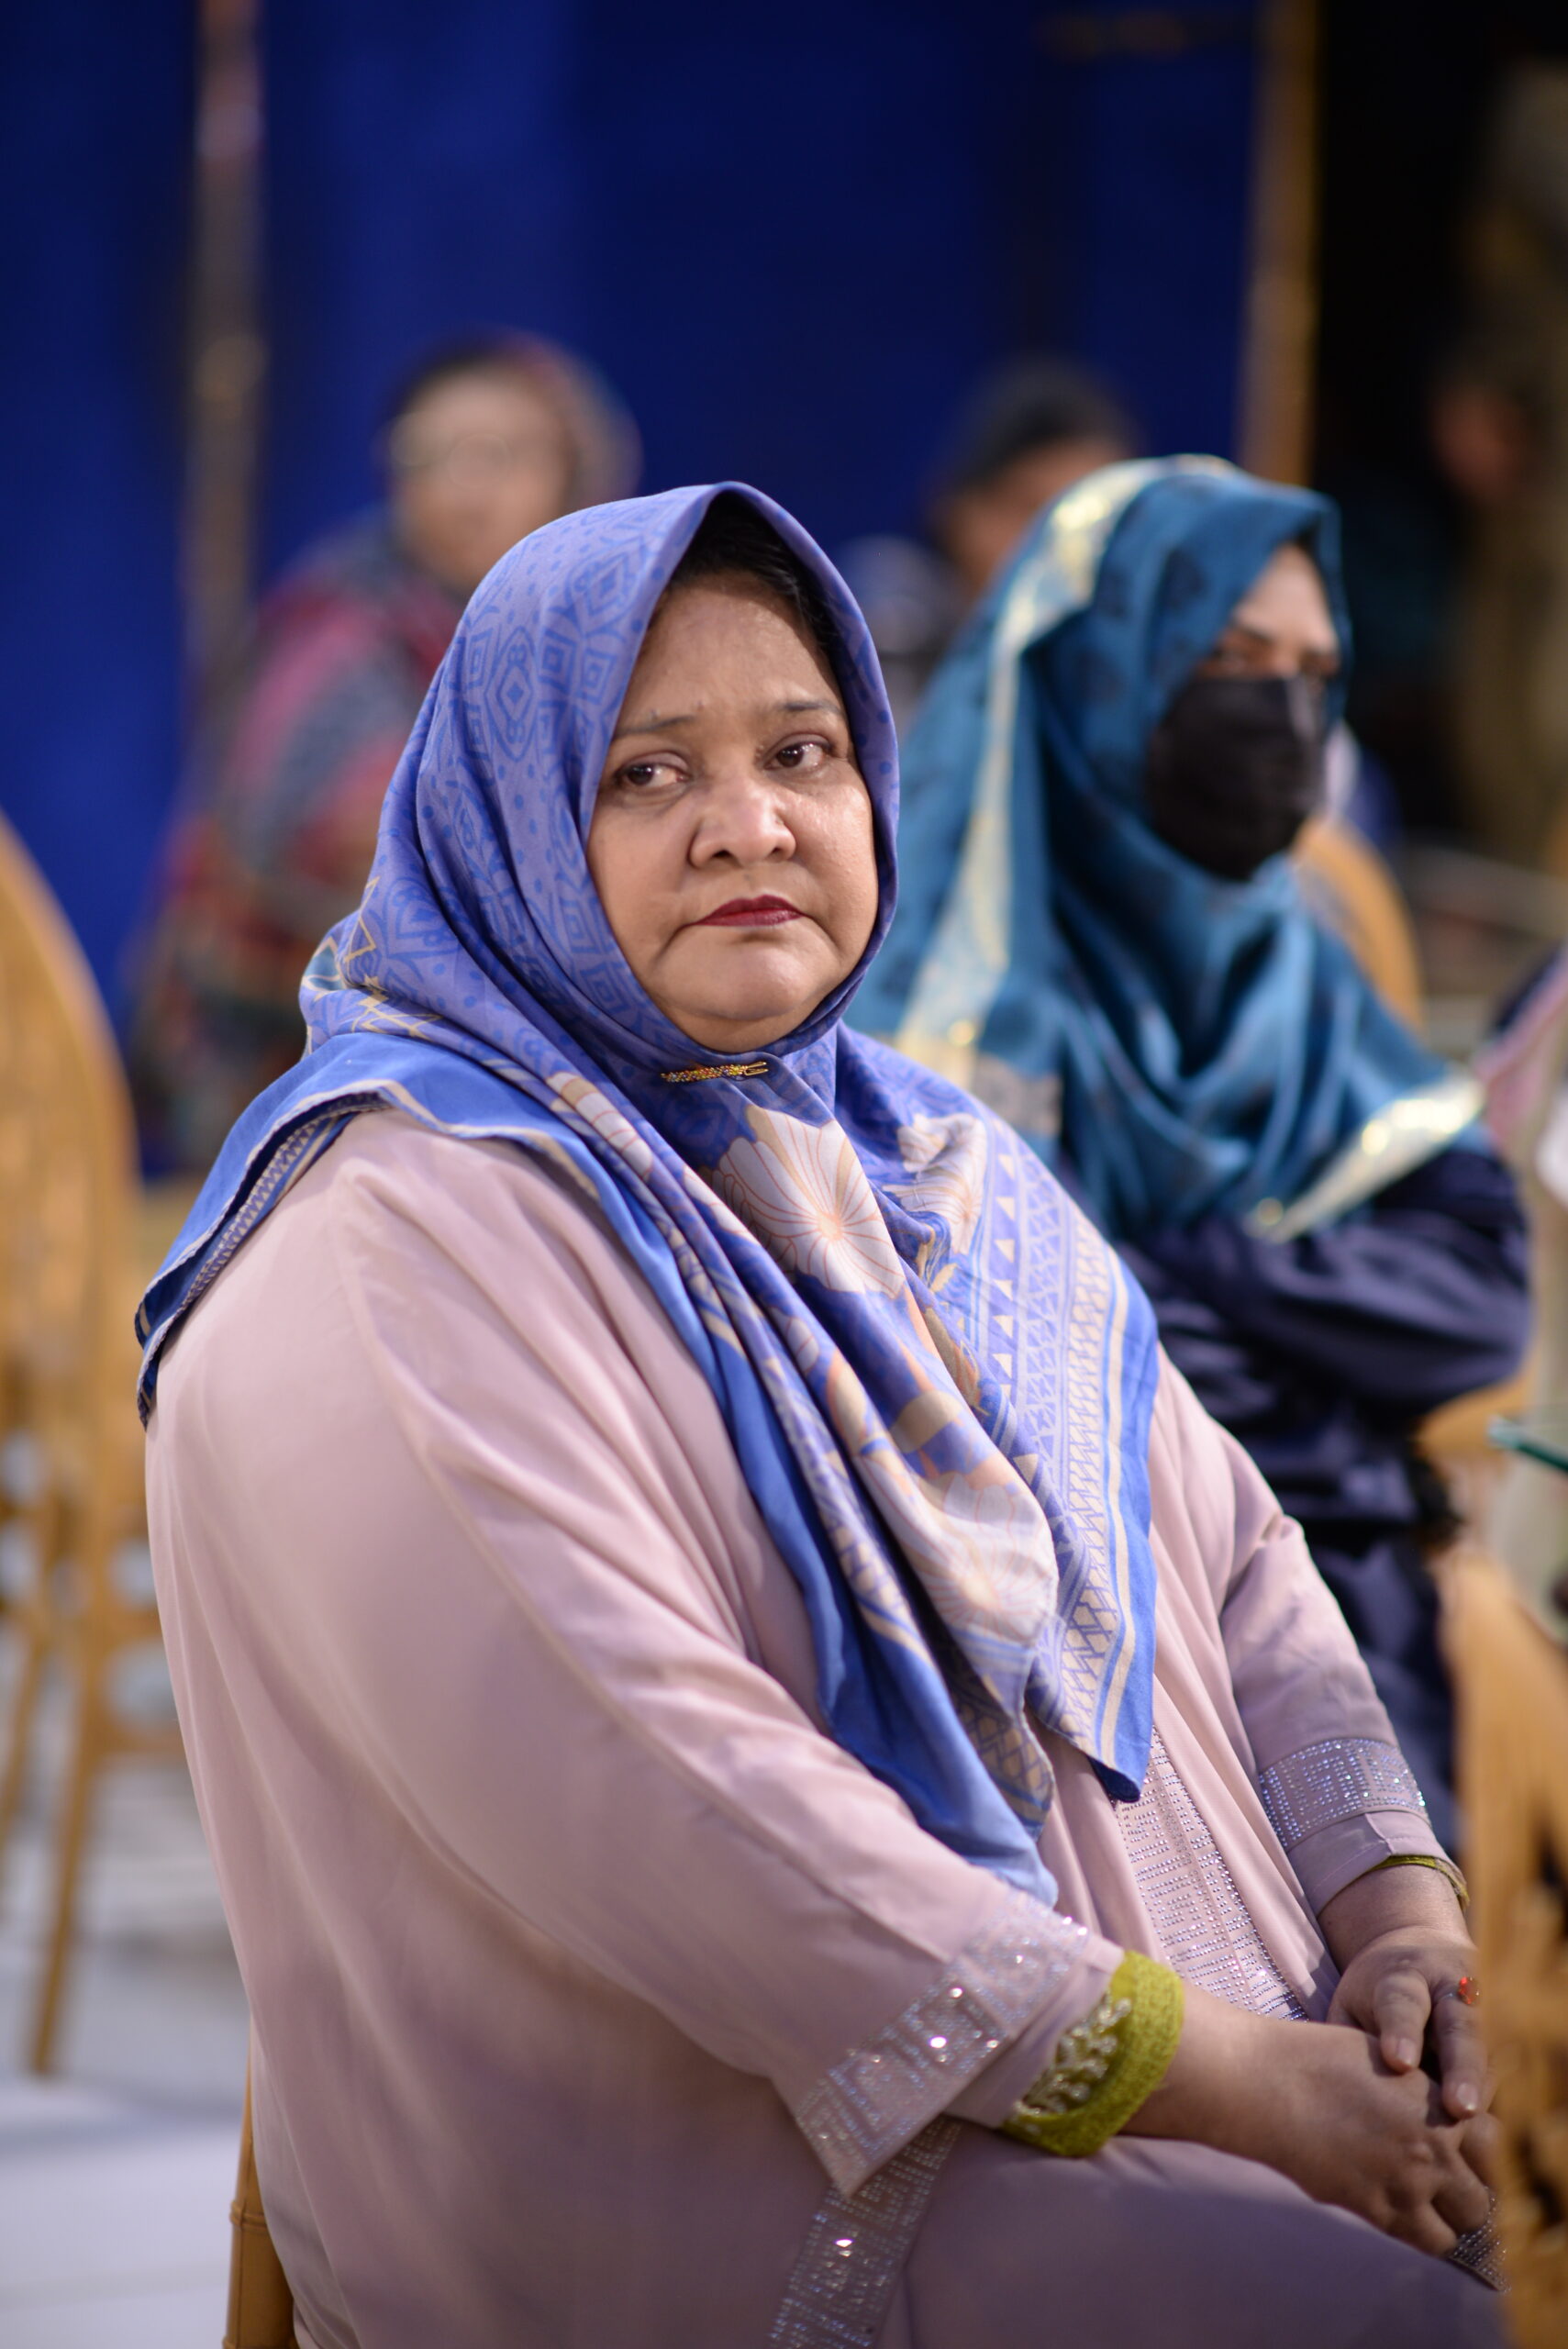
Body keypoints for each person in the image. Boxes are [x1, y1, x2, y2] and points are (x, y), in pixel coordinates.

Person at [140, 486, 1501, 2348]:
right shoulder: (396, 1237)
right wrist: (1233, 2084)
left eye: (800, 752)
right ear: (507, 820)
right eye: (644, 774)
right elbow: (663, 1792)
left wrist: (1396, 1920)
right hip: (702, 2141)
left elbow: (1238, 1558)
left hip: (1189, 2055)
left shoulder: (915, 1153)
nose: (749, 824)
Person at [857, 458, 1529, 1856]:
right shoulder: (934, 991)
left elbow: (1479, 1288)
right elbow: (986, 1348)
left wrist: (1177, 1275)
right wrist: (1313, 1336)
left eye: (1313, 671)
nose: (1279, 712)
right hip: (1047, 1630)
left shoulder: (1300, 974)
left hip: (1344, 1600)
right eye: (1228, 659)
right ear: (1100, 670)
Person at [130, 330, 639, 1168]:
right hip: (299, 1059)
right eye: (426, 459)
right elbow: (344, 856)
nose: (462, 491)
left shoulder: (602, 633)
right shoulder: (345, 626)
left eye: (497, 454)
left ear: (576, 470)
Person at [838, 358, 1139, 733]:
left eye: (1096, 522)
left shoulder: (1119, 651)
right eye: (1033, 509)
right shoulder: (895, 602)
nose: (1060, 542)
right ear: (958, 511)